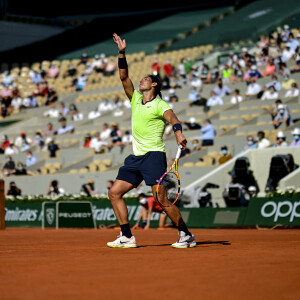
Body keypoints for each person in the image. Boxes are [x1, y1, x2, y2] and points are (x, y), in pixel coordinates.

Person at [107, 33, 196, 249]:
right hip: (136, 157)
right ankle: (127, 236)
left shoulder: (159, 104)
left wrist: (178, 133)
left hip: (153, 156)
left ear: (154, 84)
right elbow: (123, 77)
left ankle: (186, 235)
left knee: (161, 199)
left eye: (146, 78)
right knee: (114, 193)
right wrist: (121, 53)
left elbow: (173, 118)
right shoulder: (136, 98)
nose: (141, 80)